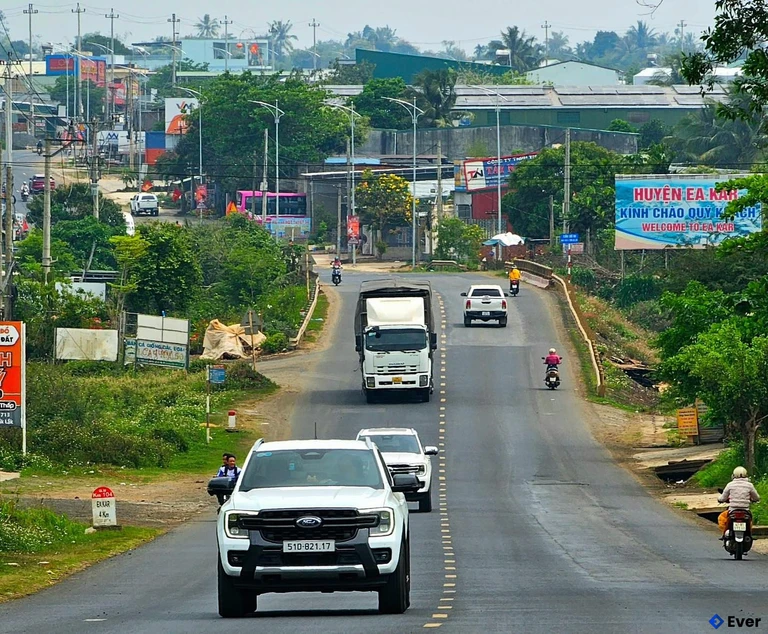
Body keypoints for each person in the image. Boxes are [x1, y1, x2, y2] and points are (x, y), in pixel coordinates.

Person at [717, 466, 761, 535]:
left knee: (721, 518)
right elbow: (756, 497)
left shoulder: (730, 485)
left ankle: (725, 534)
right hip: (745, 511)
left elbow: (723, 498)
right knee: (750, 521)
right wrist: (754, 500)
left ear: (733, 475)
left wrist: (719, 500)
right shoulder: (750, 485)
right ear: (746, 475)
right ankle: (749, 534)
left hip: (732, 510)